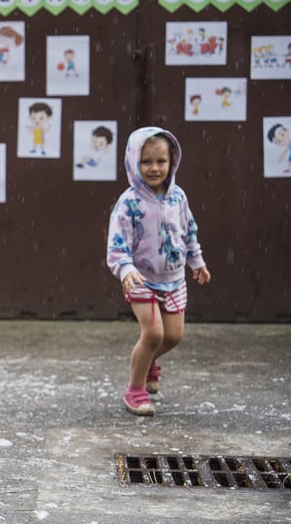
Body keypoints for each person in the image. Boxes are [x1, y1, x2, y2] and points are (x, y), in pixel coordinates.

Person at [106, 126, 211, 417]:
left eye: (161, 161)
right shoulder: (129, 203)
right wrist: (125, 269)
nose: (154, 168)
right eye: (146, 162)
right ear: (133, 163)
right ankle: (135, 389)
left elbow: (189, 231)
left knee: (173, 336)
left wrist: (197, 261)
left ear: (172, 161)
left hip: (174, 279)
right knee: (152, 332)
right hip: (140, 278)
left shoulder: (178, 197)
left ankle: (149, 359)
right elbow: (117, 245)